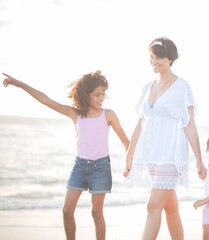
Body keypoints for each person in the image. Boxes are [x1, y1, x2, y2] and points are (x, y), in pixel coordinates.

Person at [2, 71, 130, 240]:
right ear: (86, 95)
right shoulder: (75, 113)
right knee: (67, 211)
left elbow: (126, 142)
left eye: (103, 95)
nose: (101, 99)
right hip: (80, 166)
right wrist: (20, 84)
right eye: (97, 95)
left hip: (101, 167)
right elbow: (45, 100)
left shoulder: (109, 114)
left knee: (96, 213)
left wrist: (129, 162)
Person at [123, 36, 207, 240]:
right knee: (170, 207)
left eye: (159, 57)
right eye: (152, 57)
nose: (154, 61)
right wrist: (129, 155)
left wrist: (199, 160)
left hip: (170, 155)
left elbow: (189, 124)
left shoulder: (182, 87)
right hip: (151, 154)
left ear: (171, 59)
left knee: (153, 206)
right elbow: (140, 124)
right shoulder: (146, 87)